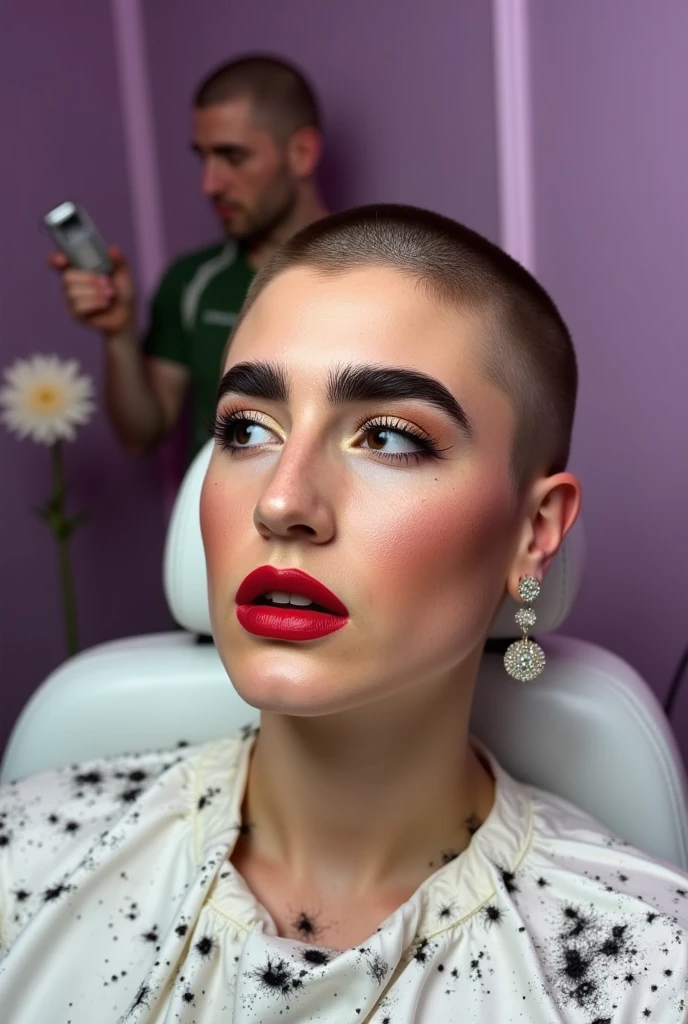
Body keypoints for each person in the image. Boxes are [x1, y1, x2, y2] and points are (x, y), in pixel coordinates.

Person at [4, 205, 687, 1022]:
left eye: (390, 438)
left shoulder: (648, 971)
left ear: (533, 532)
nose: (283, 501)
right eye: (246, 428)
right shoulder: (26, 854)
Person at [49, 55, 328, 460]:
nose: (209, 184)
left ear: (301, 153)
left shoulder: (375, 275)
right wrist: (118, 334)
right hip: (209, 521)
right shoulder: (191, 281)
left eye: (232, 157)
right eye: (203, 157)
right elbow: (142, 435)